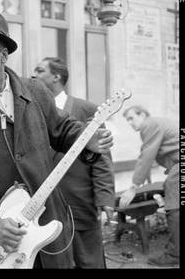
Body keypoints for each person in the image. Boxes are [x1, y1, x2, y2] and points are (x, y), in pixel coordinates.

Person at [0, 8, 114, 269]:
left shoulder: (36, 91)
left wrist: (87, 140)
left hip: (51, 236)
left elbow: (63, 129)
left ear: (4, 55)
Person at [32, 57, 115, 268]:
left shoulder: (87, 109)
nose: (34, 75)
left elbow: (102, 158)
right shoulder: (30, 112)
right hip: (44, 207)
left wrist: (105, 198)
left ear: (57, 77)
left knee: (89, 261)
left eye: (40, 70)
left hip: (80, 202)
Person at [118, 105, 180, 267]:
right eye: (127, 120)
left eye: (131, 118)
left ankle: (175, 254)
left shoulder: (149, 124)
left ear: (143, 114)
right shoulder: (157, 124)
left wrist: (133, 187)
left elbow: (146, 156)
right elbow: (151, 155)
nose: (130, 123)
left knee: (174, 207)